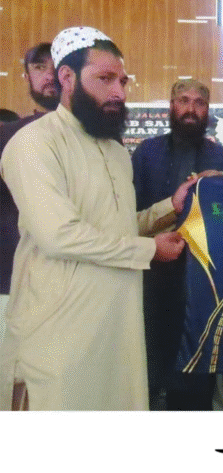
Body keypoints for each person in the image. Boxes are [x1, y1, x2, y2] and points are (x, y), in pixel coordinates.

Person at [0, 27, 191, 410]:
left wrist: (171, 206)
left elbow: (114, 227)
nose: (118, 92)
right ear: (67, 77)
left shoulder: (116, 152)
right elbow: (58, 235)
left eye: (122, 81)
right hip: (58, 335)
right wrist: (148, 251)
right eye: (104, 79)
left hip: (117, 329)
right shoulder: (35, 143)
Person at [132, 79, 223, 410]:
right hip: (151, 278)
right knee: (147, 369)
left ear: (208, 111)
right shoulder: (146, 152)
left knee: (193, 379)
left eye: (199, 103)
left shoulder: (219, 156)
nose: (191, 109)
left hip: (200, 284)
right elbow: (130, 215)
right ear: (171, 106)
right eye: (184, 101)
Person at [1, 43, 60, 310]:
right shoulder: (8, 136)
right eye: (39, 67)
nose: (49, 75)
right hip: (15, 277)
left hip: (78, 275)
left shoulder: (99, 136)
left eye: (56, 67)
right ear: (27, 76)